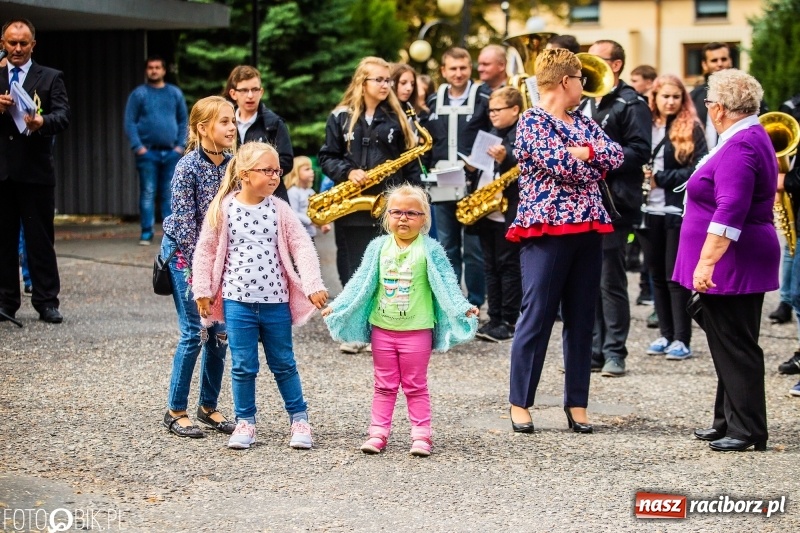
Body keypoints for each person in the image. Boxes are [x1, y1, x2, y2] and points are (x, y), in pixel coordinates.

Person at [507, 48, 623, 435]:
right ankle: (520, 401)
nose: (583, 87)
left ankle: (577, 402)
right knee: (537, 315)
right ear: (565, 81)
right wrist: (588, 160)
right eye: (580, 80)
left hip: (588, 227)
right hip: (546, 229)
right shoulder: (531, 121)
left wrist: (587, 151)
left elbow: (616, 155)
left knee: (581, 318)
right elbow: (564, 167)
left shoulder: (583, 122)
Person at [322, 184, 478, 456]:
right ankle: (378, 433)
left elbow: (448, 283)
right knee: (383, 385)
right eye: (396, 212)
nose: (403, 218)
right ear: (387, 216)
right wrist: (339, 306)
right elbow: (360, 281)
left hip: (417, 331)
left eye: (411, 213)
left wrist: (462, 307)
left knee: (415, 385)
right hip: (382, 329)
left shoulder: (431, 249)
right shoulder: (378, 247)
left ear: (424, 219)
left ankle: (421, 436)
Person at [193, 142, 328, 450]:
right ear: (244, 174)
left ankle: (299, 419)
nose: (275, 176)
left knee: (283, 362)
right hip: (237, 301)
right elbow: (206, 250)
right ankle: (245, 422)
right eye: (267, 170)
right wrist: (202, 290)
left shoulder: (279, 209)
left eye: (277, 170)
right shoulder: (225, 208)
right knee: (243, 365)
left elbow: (302, 246)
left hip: (276, 303)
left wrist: (312, 284)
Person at [674, 69, 779, 452]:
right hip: (736, 257)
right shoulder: (744, 136)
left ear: (718, 108)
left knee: (735, 343)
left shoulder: (741, 145)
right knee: (727, 341)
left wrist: (706, 263)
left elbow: (730, 209)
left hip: (733, 259)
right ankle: (728, 420)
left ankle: (749, 429)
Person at [318, 56, 421, 354]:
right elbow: (327, 156)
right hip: (352, 201)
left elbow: (411, 163)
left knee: (389, 264)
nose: (386, 85)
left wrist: (415, 198)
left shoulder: (397, 117)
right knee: (353, 263)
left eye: (387, 79)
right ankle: (356, 327)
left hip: (389, 202)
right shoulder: (339, 116)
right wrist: (347, 172)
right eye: (379, 79)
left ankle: (388, 327)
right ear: (362, 82)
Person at [159, 96, 237, 438]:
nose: (232, 127)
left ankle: (208, 407)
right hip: (185, 257)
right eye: (224, 121)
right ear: (202, 128)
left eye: (233, 121)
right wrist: (202, 275)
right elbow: (186, 224)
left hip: (221, 259)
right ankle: (175, 410)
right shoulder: (187, 167)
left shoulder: (234, 164)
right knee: (194, 331)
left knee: (220, 335)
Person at [581, 39, 652, 377]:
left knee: (610, 278)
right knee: (587, 277)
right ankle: (594, 348)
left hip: (615, 201)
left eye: (597, 59)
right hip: (584, 201)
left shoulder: (630, 102)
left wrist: (597, 155)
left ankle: (614, 351)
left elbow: (640, 150)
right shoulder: (582, 102)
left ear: (617, 64)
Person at [0, 18, 69, 325]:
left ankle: (46, 301)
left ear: (33, 45)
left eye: (22, 43)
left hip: (36, 171)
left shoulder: (50, 77)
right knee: (3, 240)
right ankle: (5, 301)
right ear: (2, 43)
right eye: (11, 43)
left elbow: (63, 116)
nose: (17, 48)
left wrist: (43, 123)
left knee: (40, 239)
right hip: (2, 172)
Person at [638, 74, 708, 361]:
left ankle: (682, 338)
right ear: (654, 97)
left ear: (683, 99)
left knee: (674, 277)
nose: (670, 101)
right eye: (665, 96)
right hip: (646, 211)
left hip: (676, 211)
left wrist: (661, 179)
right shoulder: (645, 126)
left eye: (676, 96)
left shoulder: (692, 127)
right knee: (655, 274)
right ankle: (665, 334)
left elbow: (700, 168)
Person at [422, 47, 491, 309]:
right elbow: (428, 140)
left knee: (473, 247)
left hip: (474, 182)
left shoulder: (483, 97)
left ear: (469, 68)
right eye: (453, 68)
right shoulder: (433, 100)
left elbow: (492, 133)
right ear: (443, 71)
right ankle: (451, 301)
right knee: (447, 244)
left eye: (463, 68)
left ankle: (475, 302)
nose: (458, 73)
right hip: (441, 179)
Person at [474, 87, 522, 343]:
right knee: (490, 266)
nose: (492, 115)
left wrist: (507, 158)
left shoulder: (522, 134)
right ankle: (493, 317)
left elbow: (525, 168)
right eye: (490, 110)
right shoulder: (491, 134)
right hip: (487, 211)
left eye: (497, 110)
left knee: (508, 266)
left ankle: (509, 320)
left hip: (508, 211)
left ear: (515, 110)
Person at [124, 55, 188, 246]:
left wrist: (180, 146)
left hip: (171, 153)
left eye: (157, 67)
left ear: (164, 70)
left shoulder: (175, 93)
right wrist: (139, 147)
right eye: (151, 67)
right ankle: (146, 232)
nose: (154, 70)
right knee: (148, 192)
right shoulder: (139, 94)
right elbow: (130, 122)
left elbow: (183, 120)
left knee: (170, 192)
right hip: (148, 153)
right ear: (146, 71)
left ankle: (170, 234)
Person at [224, 65, 293, 203]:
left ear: (261, 92)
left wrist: (259, 172)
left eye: (254, 90)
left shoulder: (274, 123)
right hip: (232, 196)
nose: (250, 95)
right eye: (244, 90)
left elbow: (286, 160)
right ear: (233, 93)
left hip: (269, 197)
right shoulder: (225, 124)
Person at [284, 155, 331, 240]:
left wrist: (321, 224)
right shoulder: (293, 192)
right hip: (298, 237)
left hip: (310, 234)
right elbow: (293, 213)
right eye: (307, 169)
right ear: (296, 172)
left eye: (311, 168)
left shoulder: (310, 191)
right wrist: (311, 222)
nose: (312, 171)